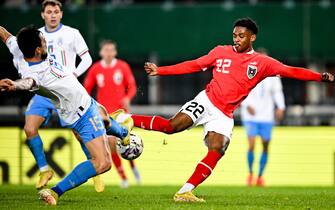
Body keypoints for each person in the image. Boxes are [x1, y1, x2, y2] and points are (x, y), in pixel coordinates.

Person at [130, 18, 334, 202]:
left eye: (241, 36)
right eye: (235, 35)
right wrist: (161, 70)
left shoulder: (262, 63)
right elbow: (194, 65)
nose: (237, 39)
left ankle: (185, 191)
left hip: (224, 114)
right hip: (207, 101)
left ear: (252, 37)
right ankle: (126, 119)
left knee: (218, 148)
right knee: (171, 127)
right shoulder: (220, 51)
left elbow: (290, 71)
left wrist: (318, 77)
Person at [0, 25, 118, 205]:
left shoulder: (18, 47)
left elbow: (5, 34)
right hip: (81, 111)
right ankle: (54, 191)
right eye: (44, 41)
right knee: (102, 163)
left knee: (106, 119)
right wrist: (15, 85)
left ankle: (125, 134)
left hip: (80, 103)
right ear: (38, 50)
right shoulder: (37, 73)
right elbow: (28, 82)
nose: (47, 42)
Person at [84, 40, 141, 187]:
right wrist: (90, 106)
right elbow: (86, 89)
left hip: (122, 113)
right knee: (111, 145)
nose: (108, 53)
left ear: (115, 52)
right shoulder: (96, 69)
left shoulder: (122, 66)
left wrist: (128, 98)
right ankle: (124, 178)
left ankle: (134, 168)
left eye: (111, 50)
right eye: (106, 50)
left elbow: (132, 86)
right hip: (105, 114)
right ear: (101, 52)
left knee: (127, 142)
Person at [240, 48, 286, 186]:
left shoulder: (273, 76)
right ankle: (250, 173)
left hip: (266, 116)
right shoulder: (248, 72)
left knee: (265, 145)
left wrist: (281, 107)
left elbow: (278, 92)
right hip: (251, 116)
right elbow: (239, 89)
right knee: (251, 144)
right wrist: (246, 104)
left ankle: (260, 176)